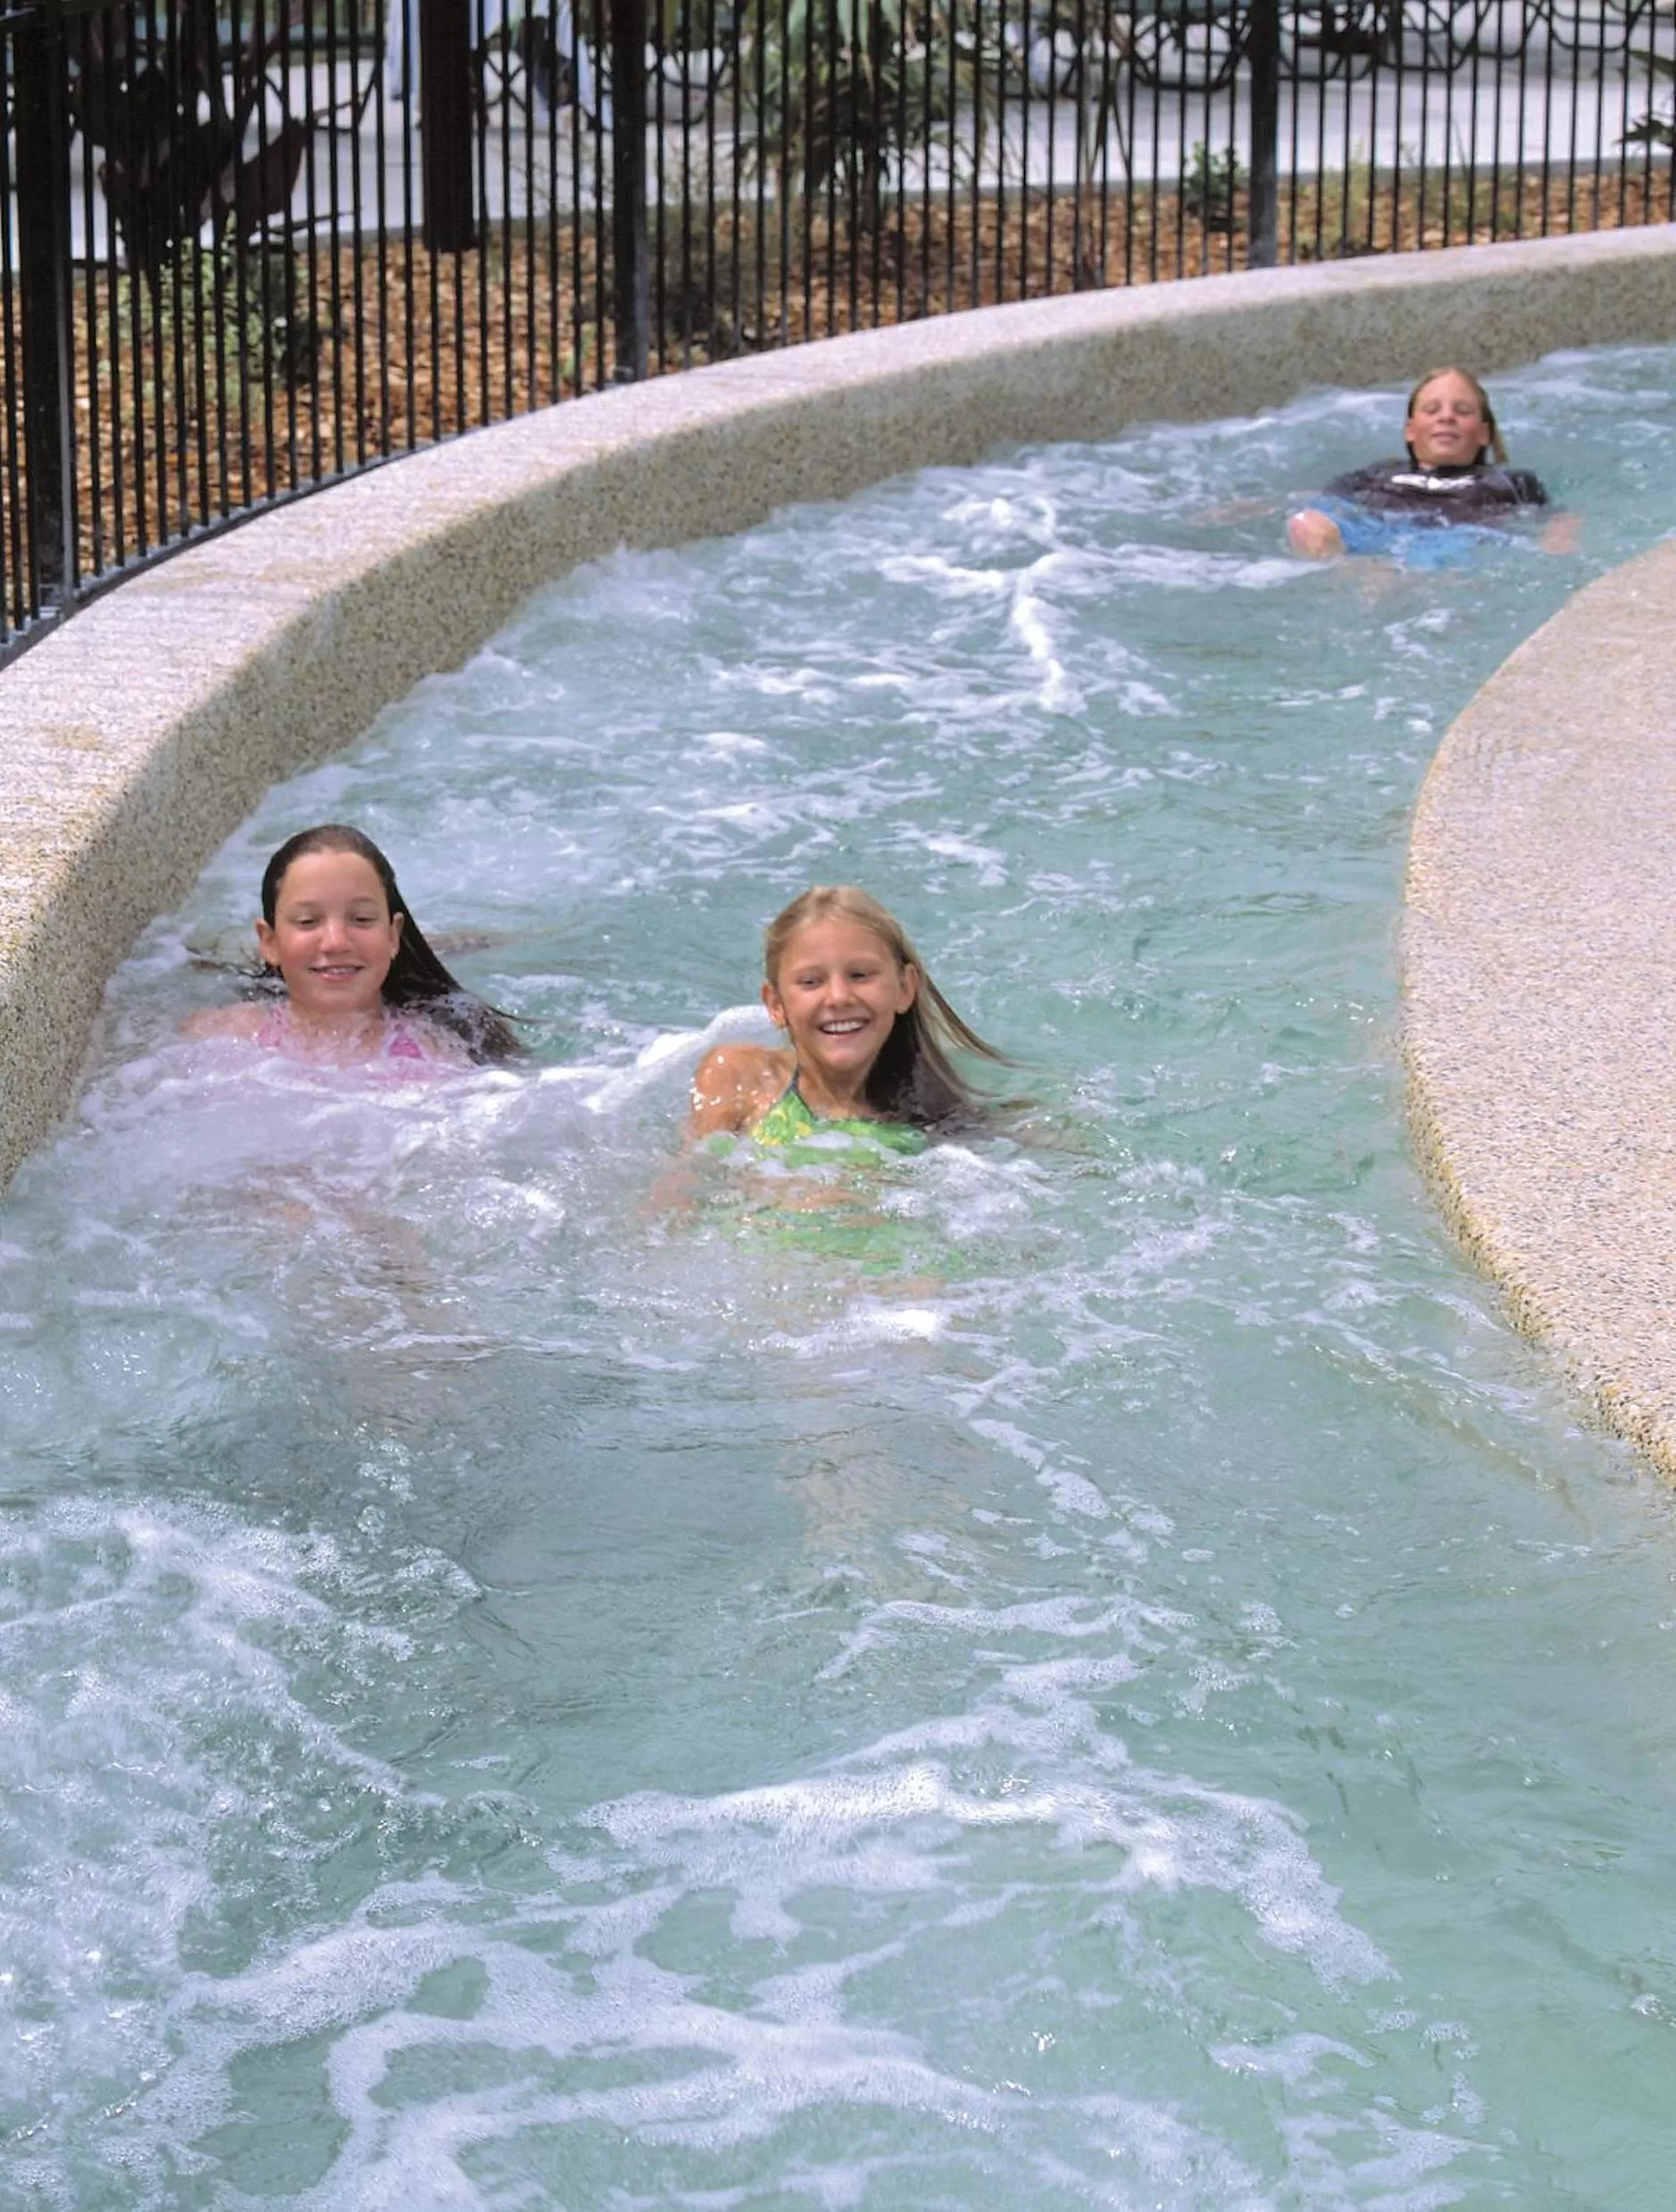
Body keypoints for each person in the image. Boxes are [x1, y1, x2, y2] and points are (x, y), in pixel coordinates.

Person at [688, 885, 1006, 1154]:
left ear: (905, 988)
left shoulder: (927, 1132)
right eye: (811, 981)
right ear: (776, 1004)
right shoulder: (740, 1078)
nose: (839, 997)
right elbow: (683, 1192)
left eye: (859, 975)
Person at [187, 823, 521, 1065]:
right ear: (269, 942)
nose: (335, 942)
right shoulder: (219, 1035)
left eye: (361, 919)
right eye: (308, 922)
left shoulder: (437, 1055)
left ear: (393, 935)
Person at [1287, 366, 1558, 561]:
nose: (1446, 417)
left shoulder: (1511, 481)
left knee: (1436, 559)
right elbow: (1319, 500)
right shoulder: (1379, 473)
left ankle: (1380, 578)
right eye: (1432, 410)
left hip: (1450, 538)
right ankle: (1353, 571)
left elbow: (1556, 518)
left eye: (1462, 411)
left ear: (1483, 433)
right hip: (1375, 528)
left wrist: (1558, 542)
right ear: (1410, 430)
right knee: (1307, 523)